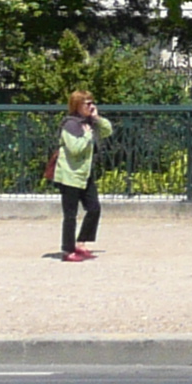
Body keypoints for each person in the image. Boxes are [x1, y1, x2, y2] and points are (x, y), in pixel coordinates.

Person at [50, 90, 110, 261]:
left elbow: (107, 131)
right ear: (77, 105)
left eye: (92, 103)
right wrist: (87, 136)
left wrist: (97, 118)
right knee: (70, 215)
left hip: (85, 174)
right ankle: (67, 251)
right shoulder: (70, 125)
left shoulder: (89, 122)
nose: (91, 107)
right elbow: (75, 149)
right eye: (87, 104)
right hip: (69, 175)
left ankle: (81, 242)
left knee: (94, 209)